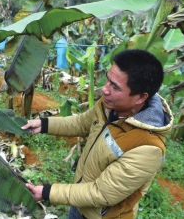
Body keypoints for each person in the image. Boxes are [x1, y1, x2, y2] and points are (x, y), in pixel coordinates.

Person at [21, 49, 173, 219]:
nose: (105, 90)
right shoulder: (110, 105)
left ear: (140, 97)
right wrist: (43, 124)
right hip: (79, 202)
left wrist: (48, 192)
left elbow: (100, 193)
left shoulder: (147, 147)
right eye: (108, 80)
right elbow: (82, 123)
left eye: (115, 87)